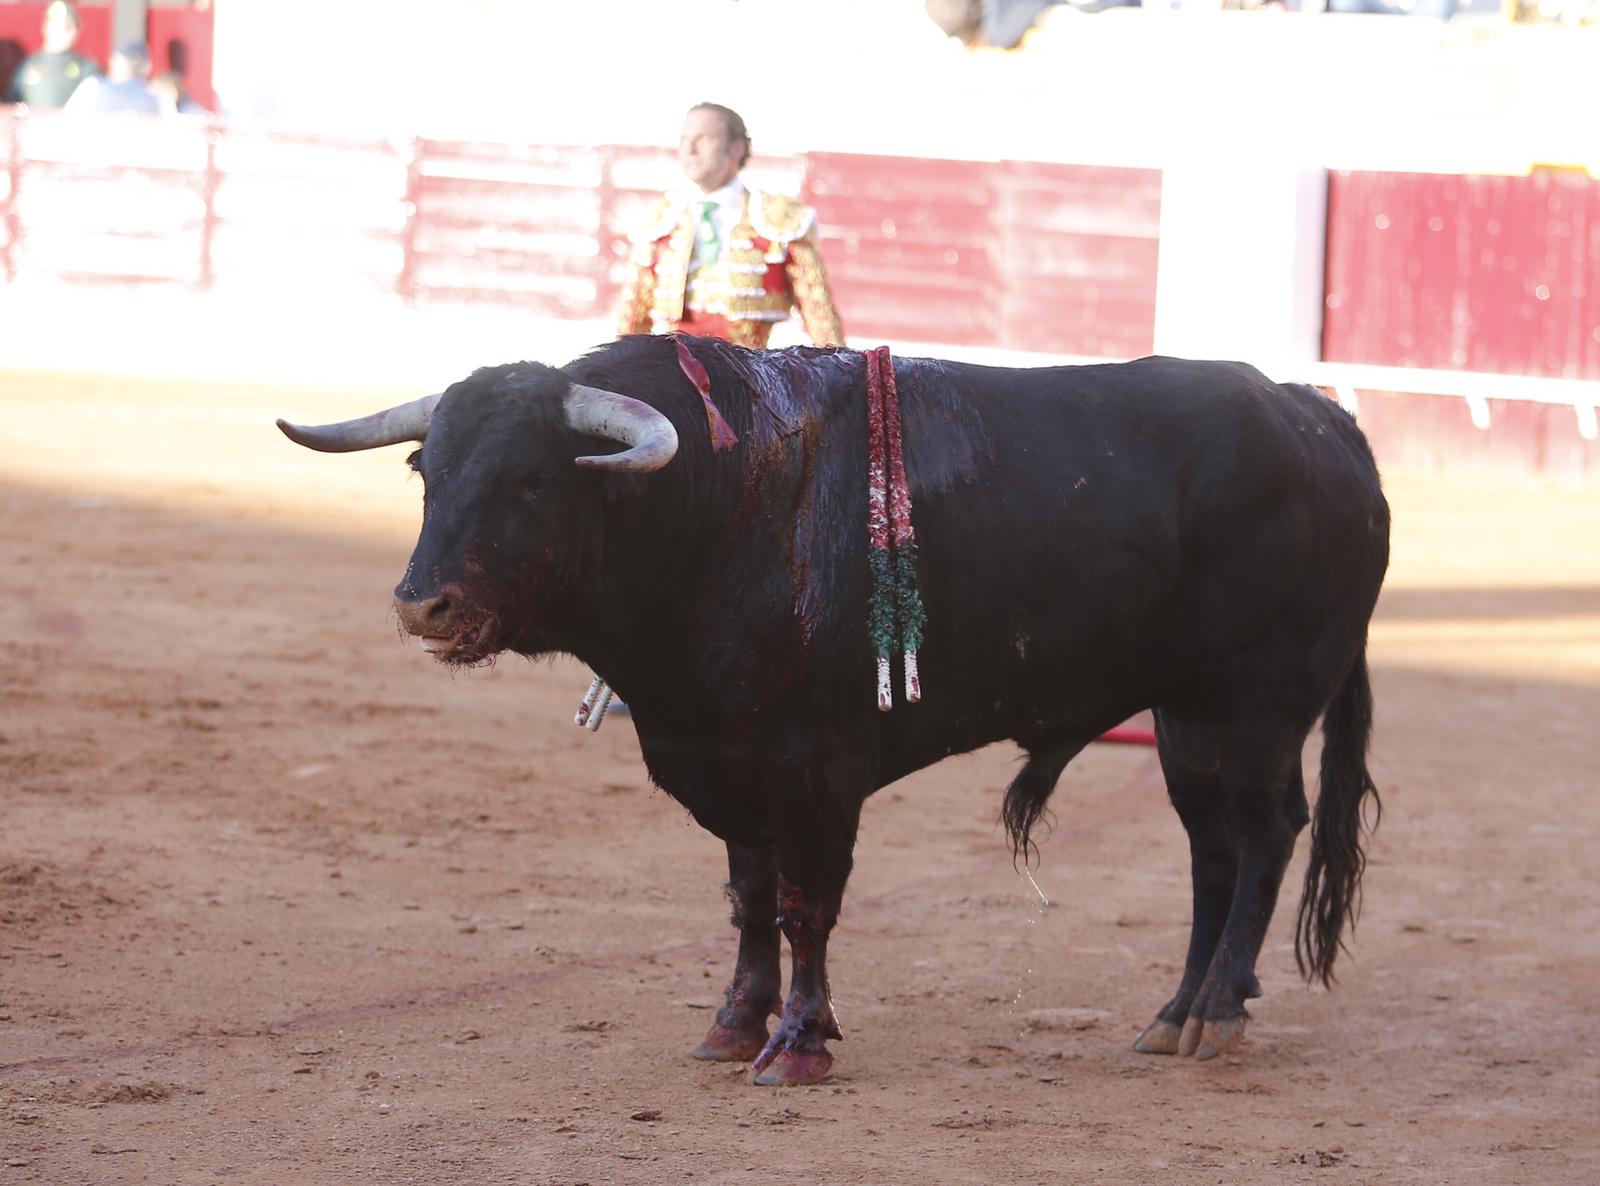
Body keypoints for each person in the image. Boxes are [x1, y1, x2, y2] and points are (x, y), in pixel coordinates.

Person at [614, 102, 845, 348]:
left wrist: (840, 374)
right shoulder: (662, 220)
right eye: (684, 140)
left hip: (747, 375)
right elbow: (631, 321)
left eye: (703, 139)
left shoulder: (779, 221)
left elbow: (819, 315)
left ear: (736, 148)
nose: (690, 149)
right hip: (675, 377)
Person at [4, 0, 100, 108]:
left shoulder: (86, 67)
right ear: (45, 26)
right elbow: (11, 106)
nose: (60, 31)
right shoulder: (27, 66)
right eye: (54, 24)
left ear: (76, 31)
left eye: (67, 26)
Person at [63, 41, 162, 115]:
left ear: (113, 61)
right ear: (148, 67)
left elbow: (67, 121)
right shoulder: (158, 96)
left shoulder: (93, 87)